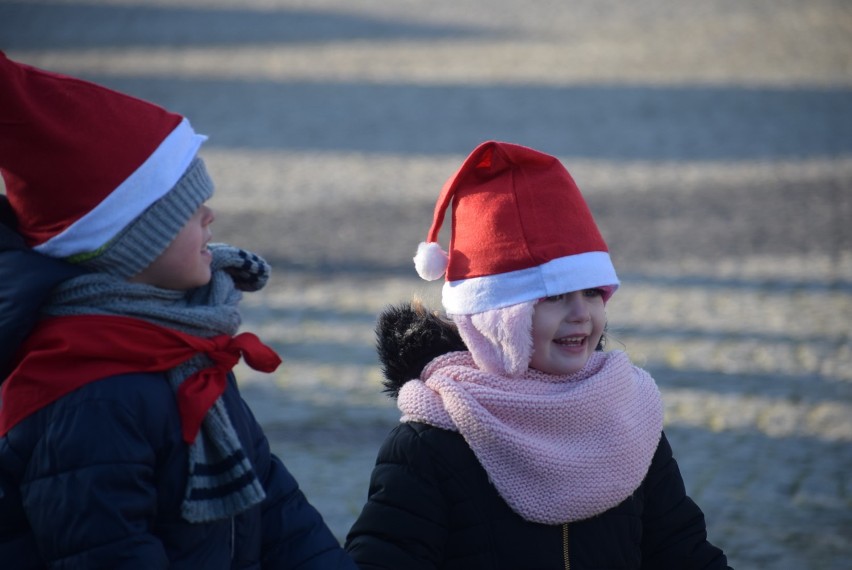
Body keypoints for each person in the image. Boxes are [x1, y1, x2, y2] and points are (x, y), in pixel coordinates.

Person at [0, 52, 357, 569]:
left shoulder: (185, 342)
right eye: (189, 210)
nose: (210, 214)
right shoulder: (88, 396)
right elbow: (108, 553)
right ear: (131, 245)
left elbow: (273, 503)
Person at [345, 141, 732, 569]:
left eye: (592, 293)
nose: (581, 314)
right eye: (554, 298)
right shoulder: (433, 442)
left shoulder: (627, 413)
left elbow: (682, 551)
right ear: (495, 318)